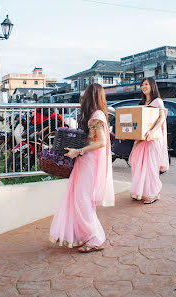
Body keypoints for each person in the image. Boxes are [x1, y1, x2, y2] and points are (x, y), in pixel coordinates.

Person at [49, 83, 114, 253]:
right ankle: (86, 235)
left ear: (92, 95)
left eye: (86, 93)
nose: (83, 96)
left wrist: (79, 150)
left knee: (83, 200)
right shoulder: (94, 115)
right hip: (85, 161)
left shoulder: (96, 116)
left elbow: (100, 142)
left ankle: (94, 238)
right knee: (80, 199)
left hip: (89, 162)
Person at [129, 78, 169, 204]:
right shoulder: (142, 103)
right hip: (141, 139)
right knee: (138, 165)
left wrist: (152, 131)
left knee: (150, 166)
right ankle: (139, 192)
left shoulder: (158, 101)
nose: (144, 86)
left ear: (152, 86)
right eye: (142, 84)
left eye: (146, 84)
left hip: (153, 138)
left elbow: (162, 118)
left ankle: (153, 194)